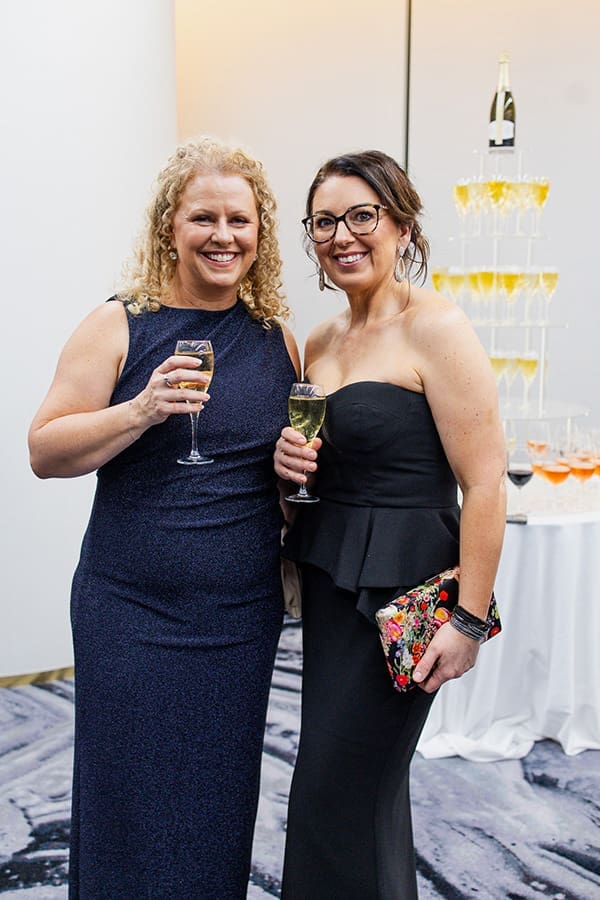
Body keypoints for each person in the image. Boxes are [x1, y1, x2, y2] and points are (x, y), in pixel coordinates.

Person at [28, 137, 299, 898]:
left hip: (239, 618)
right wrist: (142, 409)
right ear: (169, 228)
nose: (223, 236)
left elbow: (275, 482)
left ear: (260, 231)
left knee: (218, 801)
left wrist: (295, 473)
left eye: (240, 220)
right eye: (203, 218)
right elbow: (45, 450)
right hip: (131, 611)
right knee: (126, 802)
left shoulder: (276, 338)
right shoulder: (119, 324)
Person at [274, 150, 506, 899]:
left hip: (407, 597)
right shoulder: (319, 342)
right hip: (330, 583)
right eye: (324, 222)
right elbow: (315, 476)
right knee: (350, 792)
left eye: (361, 216)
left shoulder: (437, 327)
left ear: (402, 225)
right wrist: (288, 465)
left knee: (337, 792)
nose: (342, 235)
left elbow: (484, 482)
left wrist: (468, 621)